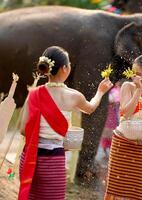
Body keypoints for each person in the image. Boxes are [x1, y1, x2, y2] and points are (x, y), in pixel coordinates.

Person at [18, 46, 113, 200]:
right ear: (64, 69)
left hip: (30, 158)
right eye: (69, 64)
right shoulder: (73, 96)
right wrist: (100, 91)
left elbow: (23, 130)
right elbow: (90, 108)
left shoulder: (34, 94)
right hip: (53, 160)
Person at [104, 54, 142, 200]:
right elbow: (126, 112)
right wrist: (138, 90)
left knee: (139, 190)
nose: (134, 77)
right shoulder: (127, 87)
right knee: (116, 188)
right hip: (122, 144)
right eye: (133, 73)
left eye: (139, 74)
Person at [99, 83, 121, 157]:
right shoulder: (111, 91)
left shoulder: (115, 91)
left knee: (111, 135)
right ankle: (106, 151)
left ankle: (111, 151)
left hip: (112, 117)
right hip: (108, 116)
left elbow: (117, 100)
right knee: (106, 135)